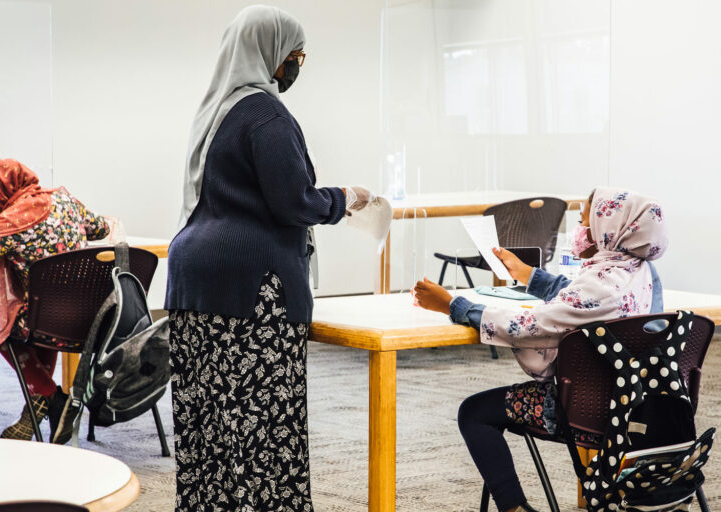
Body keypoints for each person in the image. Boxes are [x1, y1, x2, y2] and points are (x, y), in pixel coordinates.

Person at [165, 6, 374, 512]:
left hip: (194, 279)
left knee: (210, 415)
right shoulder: (266, 114)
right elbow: (292, 201)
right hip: (251, 291)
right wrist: (345, 198)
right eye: (294, 56)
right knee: (261, 420)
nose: (296, 66)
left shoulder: (215, 110)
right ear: (271, 53)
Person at [413, 188, 667, 512]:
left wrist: (452, 304)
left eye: (584, 220)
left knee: (474, 413)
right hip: (639, 406)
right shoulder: (642, 274)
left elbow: (526, 325)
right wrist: (528, 275)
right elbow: (578, 297)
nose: (579, 229)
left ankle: (514, 508)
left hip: (585, 409)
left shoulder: (601, 284)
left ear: (610, 228)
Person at [0, 158, 110, 443]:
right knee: (39, 314)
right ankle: (37, 408)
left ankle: (51, 396)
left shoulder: (10, 221)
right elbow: (101, 229)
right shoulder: (63, 198)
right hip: (85, 318)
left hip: (42, 321)